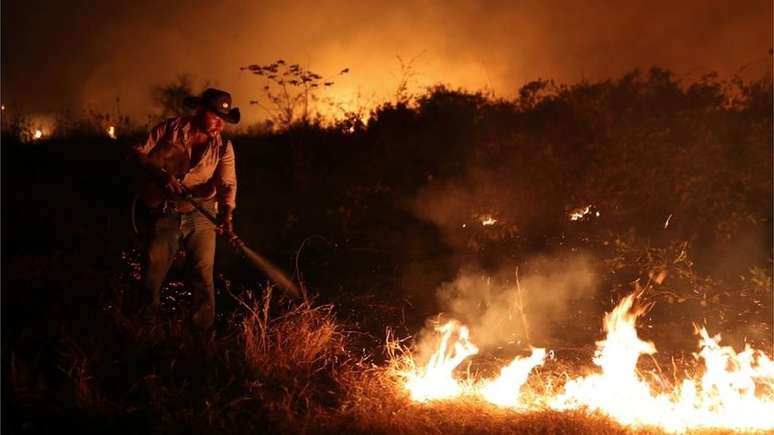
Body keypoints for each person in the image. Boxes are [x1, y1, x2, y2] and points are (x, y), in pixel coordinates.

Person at [130, 88, 240, 330]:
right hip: (166, 208)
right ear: (200, 111)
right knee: (153, 270)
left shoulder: (223, 147)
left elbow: (227, 184)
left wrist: (226, 215)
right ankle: (145, 329)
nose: (219, 125)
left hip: (202, 212)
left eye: (223, 120)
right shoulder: (170, 128)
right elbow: (137, 151)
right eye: (214, 117)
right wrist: (160, 175)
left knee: (203, 275)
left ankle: (201, 334)